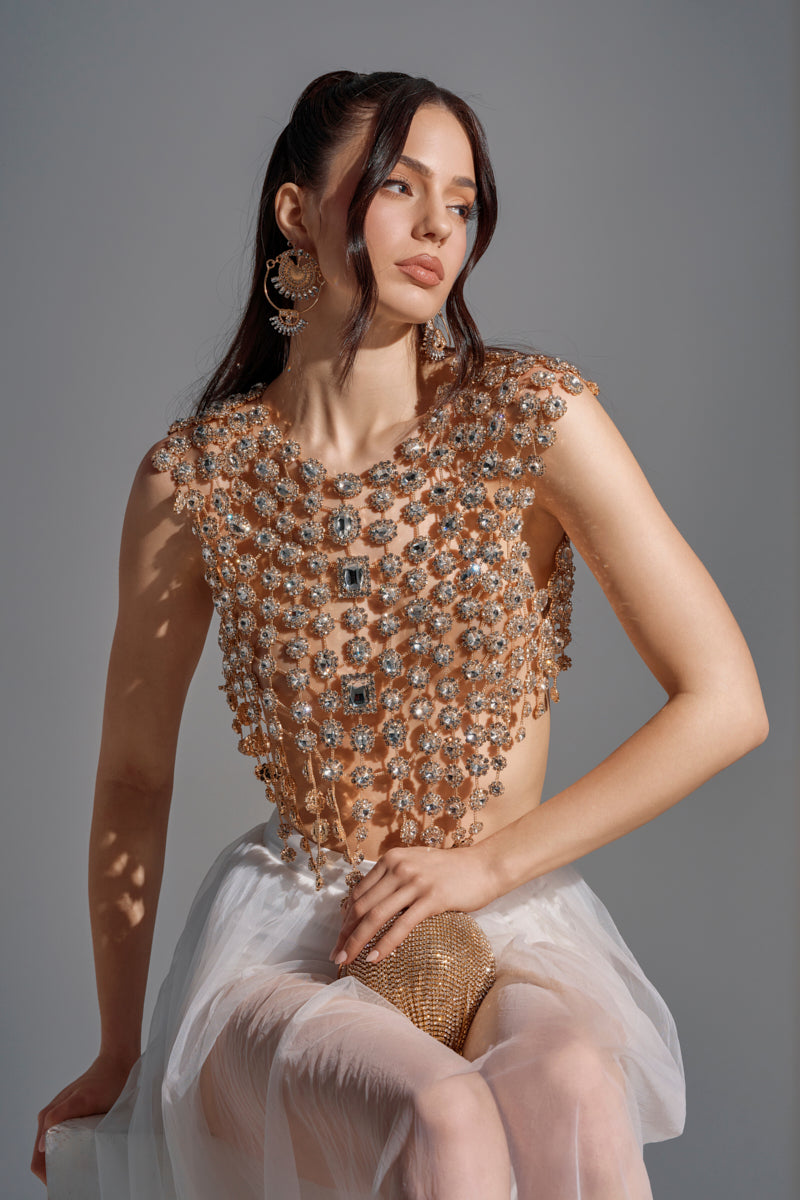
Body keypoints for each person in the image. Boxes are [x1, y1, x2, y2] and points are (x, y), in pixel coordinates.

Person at [32, 70, 768, 1199]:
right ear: (296, 213)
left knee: (573, 1078)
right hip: (292, 943)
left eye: (463, 203)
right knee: (441, 1112)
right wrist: (119, 1049)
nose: (438, 227)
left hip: (503, 918)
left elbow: (726, 701)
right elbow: (133, 776)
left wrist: (485, 867)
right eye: (400, 187)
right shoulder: (197, 480)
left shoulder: (529, 416)